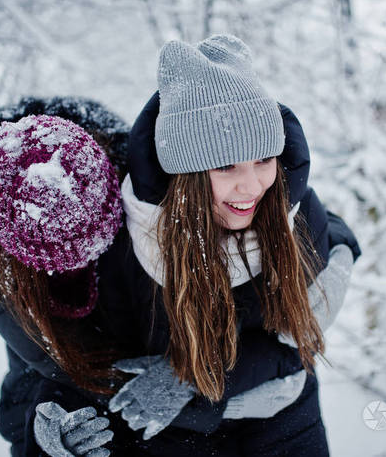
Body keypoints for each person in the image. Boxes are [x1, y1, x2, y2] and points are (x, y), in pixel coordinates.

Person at [96, 34, 361, 456]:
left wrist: (197, 382)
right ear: (186, 175)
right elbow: (104, 362)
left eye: (263, 159)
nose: (253, 186)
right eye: (226, 165)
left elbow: (295, 347)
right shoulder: (129, 240)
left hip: (288, 429)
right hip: (174, 442)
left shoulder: (290, 211)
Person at [0, 97, 142, 456]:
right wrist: (45, 441)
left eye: (93, 243)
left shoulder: (141, 209)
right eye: (57, 259)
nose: (78, 264)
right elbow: (33, 388)